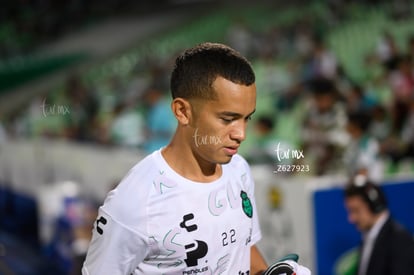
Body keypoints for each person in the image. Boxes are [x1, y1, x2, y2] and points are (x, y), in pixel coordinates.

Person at [81, 43, 310, 274]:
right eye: (227, 119)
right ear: (182, 111)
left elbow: (244, 248)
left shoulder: (239, 169)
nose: (241, 134)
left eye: (246, 118)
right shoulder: (133, 203)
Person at [343, 175, 414, 275]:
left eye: (356, 210)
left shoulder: (400, 239)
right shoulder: (368, 237)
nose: (351, 218)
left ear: (375, 205)